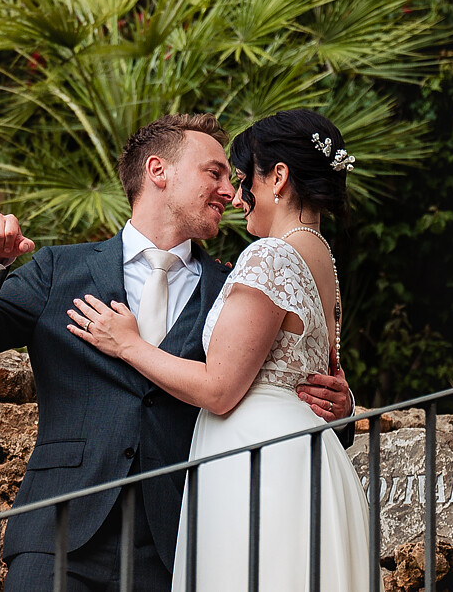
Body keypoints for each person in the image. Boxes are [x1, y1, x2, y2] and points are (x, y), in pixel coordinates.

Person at [0, 113, 355, 592]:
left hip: (175, 543)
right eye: (213, 173)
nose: (228, 192)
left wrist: (342, 405)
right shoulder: (58, 270)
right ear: (158, 172)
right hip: (59, 534)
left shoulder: (235, 286)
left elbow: (273, 390)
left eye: (231, 177)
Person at [68, 109, 371, 592]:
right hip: (304, 453)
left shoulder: (270, 254)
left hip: (259, 460)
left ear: (278, 177)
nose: (236, 197)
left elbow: (219, 388)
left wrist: (128, 345)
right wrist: (347, 405)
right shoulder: (323, 259)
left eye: (244, 177)